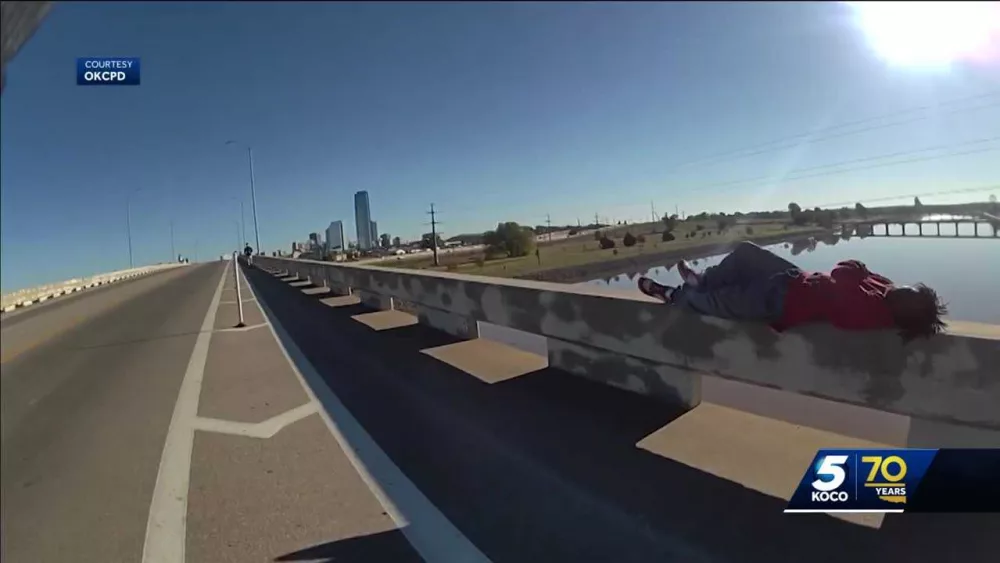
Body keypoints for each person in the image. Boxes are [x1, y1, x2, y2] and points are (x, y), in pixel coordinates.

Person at [637, 241, 947, 341]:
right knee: (745, 252)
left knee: (713, 303)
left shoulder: (873, 313)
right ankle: (701, 279)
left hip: (778, 301)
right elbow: (850, 274)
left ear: (905, 315)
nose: (903, 290)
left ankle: (671, 295)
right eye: (911, 290)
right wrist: (860, 273)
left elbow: (842, 273)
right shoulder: (886, 290)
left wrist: (859, 271)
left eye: (910, 299)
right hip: (792, 277)